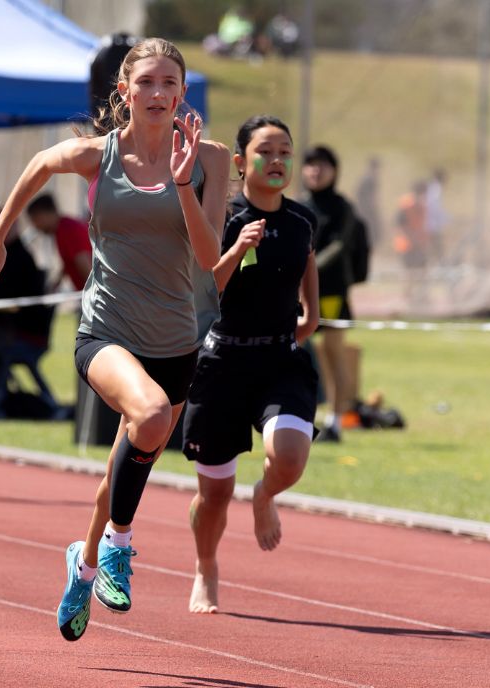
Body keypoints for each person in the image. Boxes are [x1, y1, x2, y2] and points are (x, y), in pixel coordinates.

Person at [0, 38, 228, 641]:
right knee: (146, 417)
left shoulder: (211, 159)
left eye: (170, 83)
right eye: (145, 82)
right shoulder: (101, 155)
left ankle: (84, 565)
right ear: (124, 92)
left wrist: (184, 184)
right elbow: (40, 164)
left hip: (176, 341)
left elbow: (207, 256)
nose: (158, 93)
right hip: (108, 329)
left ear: (182, 94)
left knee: (120, 467)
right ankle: (119, 546)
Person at [182, 115, 319, 613]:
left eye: (285, 150)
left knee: (288, 454)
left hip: (279, 360)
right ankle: (205, 567)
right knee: (214, 494)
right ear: (240, 163)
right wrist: (238, 249)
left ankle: (264, 495)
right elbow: (203, 293)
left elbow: (312, 309)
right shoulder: (223, 217)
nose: (278, 160)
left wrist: (289, 338)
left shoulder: (303, 222)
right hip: (221, 364)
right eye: (266, 151)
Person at [302, 145, 360, 441]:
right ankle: (299, 418)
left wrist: (308, 267)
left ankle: (335, 421)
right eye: (310, 165)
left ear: (334, 171)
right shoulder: (299, 205)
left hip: (331, 291)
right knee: (298, 353)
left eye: (322, 165)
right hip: (300, 293)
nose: (315, 170)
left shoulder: (342, 207)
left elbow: (339, 246)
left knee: (335, 354)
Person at [26, 193, 92, 289]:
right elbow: (70, 261)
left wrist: (94, 294)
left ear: (44, 215)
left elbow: (84, 263)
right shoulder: (62, 230)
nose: (35, 226)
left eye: (35, 220)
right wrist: (57, 282)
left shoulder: (68, 230)